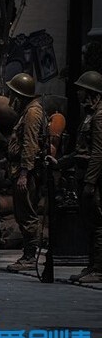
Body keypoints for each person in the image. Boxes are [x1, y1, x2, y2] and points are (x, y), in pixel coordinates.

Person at [3, 72, 47, 272]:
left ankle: (31, 256)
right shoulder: (28, 111)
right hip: (21, 169)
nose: (11, 99)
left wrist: (24, 173)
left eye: (13, 94)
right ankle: (27, 254)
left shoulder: (32, 113)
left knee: (27, 213)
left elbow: (29, 144)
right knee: (22, 213)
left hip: (27, 172)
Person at [62, 71, 102, 282]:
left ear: (90, 92)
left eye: (81, 89)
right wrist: (60, 163)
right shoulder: (89, 114)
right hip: (82, 172)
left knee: (97, 224)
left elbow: (98, 153)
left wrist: (90, 182)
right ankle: (91, 265)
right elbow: (81, 150)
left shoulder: (99, 116)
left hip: (92, 177)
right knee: (89, 224)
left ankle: (99, 269)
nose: (78, 93)